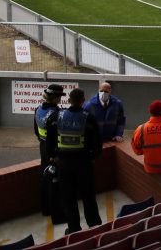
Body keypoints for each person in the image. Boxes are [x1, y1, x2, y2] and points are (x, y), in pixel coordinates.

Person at [45, 87, 102, 234]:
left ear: (69, 100)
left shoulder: (57, 117)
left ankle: (73, 228)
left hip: (64, 165)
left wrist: (53, 155)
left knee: (68, 198)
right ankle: (95, 226)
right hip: (84, 164)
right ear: (83, 101)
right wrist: (92, 158)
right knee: (88, 197)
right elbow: (97, 143)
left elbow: (49, 139)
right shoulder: (89, 118)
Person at [33, 84, 66, 223]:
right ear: (56, 98)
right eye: (59, 97)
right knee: (55, 182)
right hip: (54, 152)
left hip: (43, 147)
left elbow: (36, 131)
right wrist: (55, 155)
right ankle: (57, 216)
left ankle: (45, 209)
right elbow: (56, 135)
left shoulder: (38, 109)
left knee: (45, 178)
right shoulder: (56, 114)